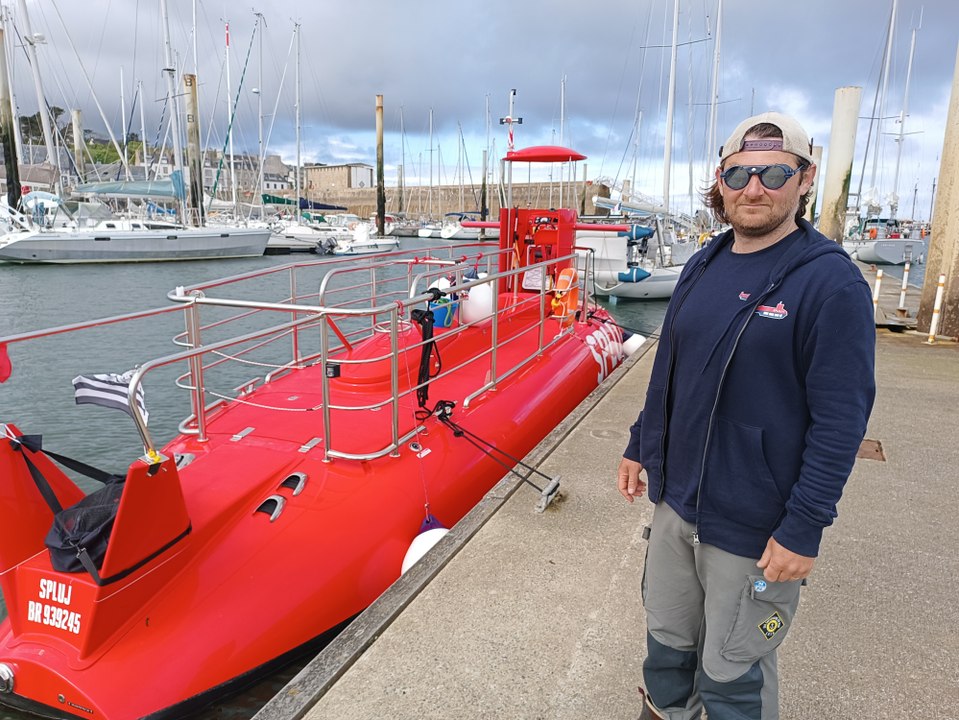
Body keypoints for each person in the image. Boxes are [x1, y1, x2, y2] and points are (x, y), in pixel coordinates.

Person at [617, 111, 876, 720]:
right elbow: (669, 368)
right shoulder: (703, 264)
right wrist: (639, 443)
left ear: (804, 179)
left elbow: (842, 420)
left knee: (734, 671)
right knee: (667, 649)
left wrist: (804, 526)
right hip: (676, 503)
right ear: (721, 179)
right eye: (740, 174)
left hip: (756, 530)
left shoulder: (830, 283)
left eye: (773, 172)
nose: (754, 188)